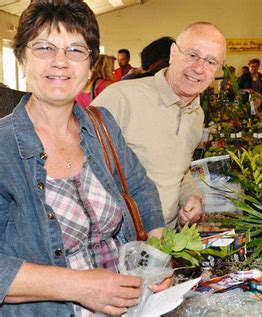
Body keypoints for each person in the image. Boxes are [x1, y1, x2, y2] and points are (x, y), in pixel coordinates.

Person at [0, 1, 170, 315]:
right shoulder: (3, 149)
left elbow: (141, 189)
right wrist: (79, 286)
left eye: (76, 50)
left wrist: (156, 256)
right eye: (45, 48)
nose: (60, 62)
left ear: (91, 64)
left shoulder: (101, 125)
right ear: (22, 57)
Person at [92, 22, 227, 228]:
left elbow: (177, 169)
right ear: (173, 53)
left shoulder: (196, 114)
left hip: (164, 242)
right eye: (192, 55)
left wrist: (192, 196)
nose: (199, 68)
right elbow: (75, 167)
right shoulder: (121, 98)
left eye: (211, 61)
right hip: (118, 244)